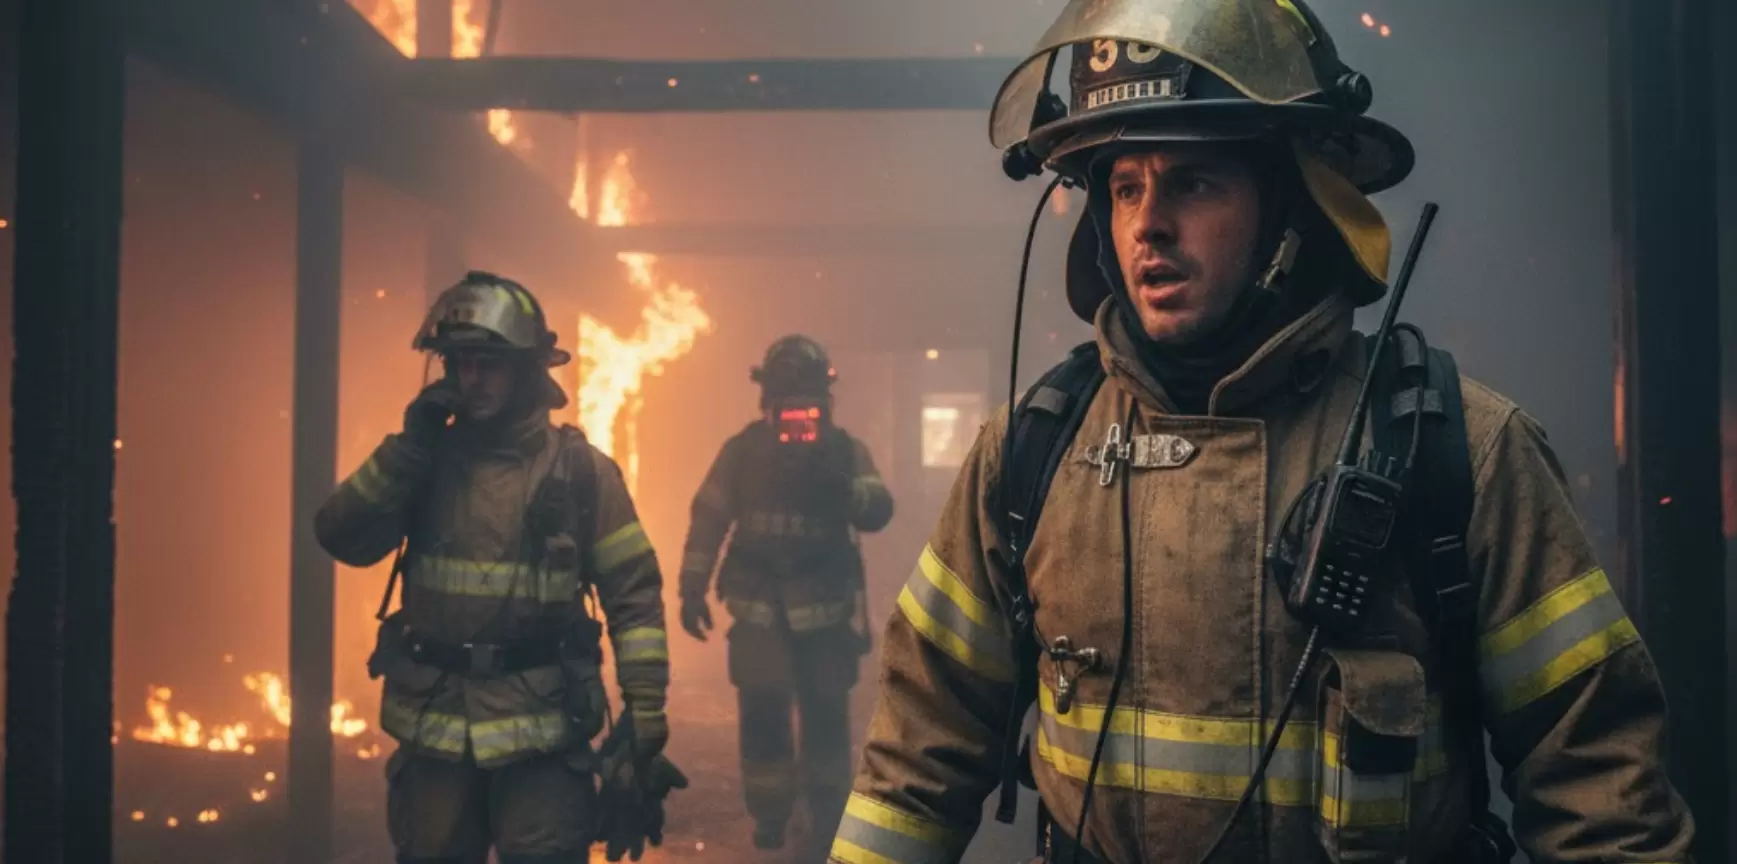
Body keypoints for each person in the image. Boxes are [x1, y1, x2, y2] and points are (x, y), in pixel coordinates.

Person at [829, 2, 1696, 862]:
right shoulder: (1029, 453)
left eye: (1193, 181)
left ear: (1292, 208)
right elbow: (914, 762)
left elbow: (1600, 798)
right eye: (1124, 186)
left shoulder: (1458, 451)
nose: (1146, 224)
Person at [314, 271, 673, 864]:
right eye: (459, 363)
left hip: (544, 740)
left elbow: (634, 597)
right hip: (434, 730)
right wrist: (407, 450)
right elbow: (341, 537)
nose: (471, 379)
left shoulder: (583, 474)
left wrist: (646, 711)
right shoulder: (421, 461)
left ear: (529, 369)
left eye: (488, 363)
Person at [678, 335, 894, 856]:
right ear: (767, 403)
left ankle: (826, 819)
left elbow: (879, 509)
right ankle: (770, 817)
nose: (797, 420)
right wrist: (691, 585)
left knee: (825, 720)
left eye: (808, 409)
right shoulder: (743, 452)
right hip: (758, 614)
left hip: (825, 618)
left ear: (824, 403)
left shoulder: (843, 453)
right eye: (787, 408)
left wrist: (842, 489)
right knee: (764, 719)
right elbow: (708, 517)